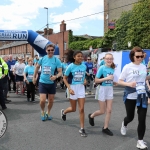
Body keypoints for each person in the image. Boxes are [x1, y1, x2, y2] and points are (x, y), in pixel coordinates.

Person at [118, 46, 149, 149]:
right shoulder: (127, 67)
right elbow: (120, 81)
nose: (140, 58)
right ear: (132, 56)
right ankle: (124, 123)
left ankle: (140, 141)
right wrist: (129, 84)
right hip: (130, 95)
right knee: (130, 117)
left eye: (141, 56)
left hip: (141, 95)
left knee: (142, 119)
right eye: (138, 56)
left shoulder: (143, 67)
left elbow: (144, 79)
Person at [88, 53, 116, 136]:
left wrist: (114, 82)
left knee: (109, 110)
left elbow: (112, 80)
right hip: (102, 89)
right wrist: (106, 78)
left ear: (112, 60)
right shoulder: (101, 68)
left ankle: (105, 128)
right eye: (107, 59)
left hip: (110, 89)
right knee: (102, 111)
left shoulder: (113, 68)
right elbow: (96, 80)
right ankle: (92, 116)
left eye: (111, 59)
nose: (109, 60)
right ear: (104, 59)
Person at [61, 50, 87, 137]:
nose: (80, 57)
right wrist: (69, 88)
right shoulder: (70, 67)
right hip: (72, 88)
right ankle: (64, 112)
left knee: (82, 109)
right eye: (78, 56)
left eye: (81, 56)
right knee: (73, 109)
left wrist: (85, 80)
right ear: (74, 57)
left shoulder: (84, 66)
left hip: (81, 88)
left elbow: (83, 77)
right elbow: (64, 78)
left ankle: (82, 128)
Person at [33, 43, 62, 121]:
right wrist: (34, 77)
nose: (50, 51)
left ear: (54, 51)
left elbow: (60, 72)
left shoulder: (57, 60)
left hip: (51, 83)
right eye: (49, 50)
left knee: (51, 100)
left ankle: (48, 112)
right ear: (46, 51)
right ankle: (42, 111)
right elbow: (37, 68)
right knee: (42, 100)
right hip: (42, 82)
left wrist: (55, 76)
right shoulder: (42, 59)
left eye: (52, 50)